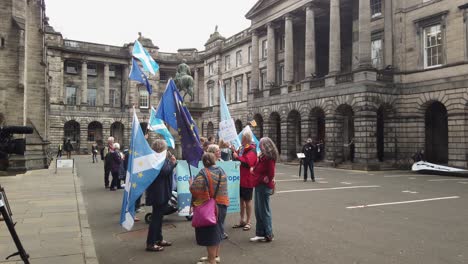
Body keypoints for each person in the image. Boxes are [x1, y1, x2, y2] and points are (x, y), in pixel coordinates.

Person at [190, 153, 229, 264]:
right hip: (222, 204)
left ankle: (211, 260)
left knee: (210, 234)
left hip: (210, 208)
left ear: (204, 162)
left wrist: (191, 184)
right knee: (217, 231)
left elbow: (195, 189)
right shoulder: (221, 170)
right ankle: (215, 256)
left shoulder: (203, 173)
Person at [145, 139, 178, 252]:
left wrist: (171, 162)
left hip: (161, 192)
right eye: (165, 148)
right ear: (161, 149)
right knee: (156, 219)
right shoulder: (156, 160)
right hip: (158, 193)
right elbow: (165, 171)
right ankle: (150, 243)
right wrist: (173, 163)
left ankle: (159, 239)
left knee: (159, 218)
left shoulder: (159, 158)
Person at [250, 137, 279, 242]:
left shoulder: (268, 157)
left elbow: (271, 173)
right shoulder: (263, 156)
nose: (259, 146)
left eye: (261, 144)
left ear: (265, 145)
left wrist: (266, 179)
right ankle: (261, 233)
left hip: (263, 186)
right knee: (259, 210)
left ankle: (268, 233)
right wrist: (254, 170)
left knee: (263, 211)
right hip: (259, 184)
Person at [231, 130, 257, 231]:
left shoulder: (252, 150)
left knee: (248, 201)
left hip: (247, 180)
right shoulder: (242, 148)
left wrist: (237, 157)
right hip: (240, 179)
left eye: (242, 137)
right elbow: (237, 157)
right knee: (241, 201)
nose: (241, 139)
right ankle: (242, 220)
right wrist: (233, 151)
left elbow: (248, 163)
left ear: (246, 139)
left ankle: (248, 221)